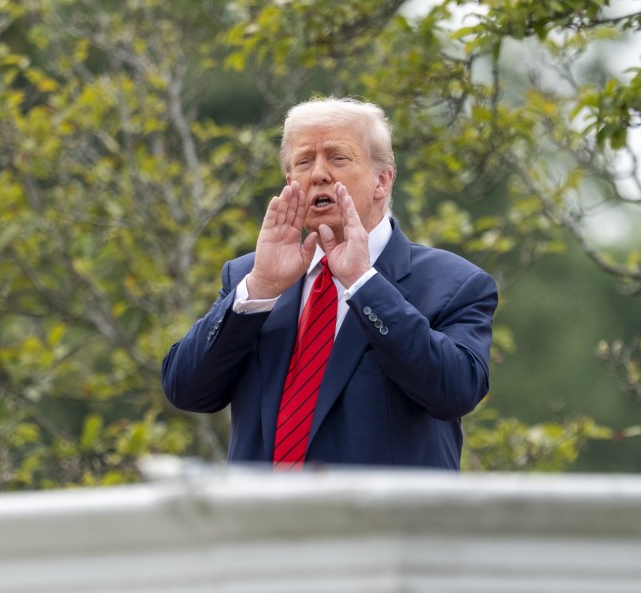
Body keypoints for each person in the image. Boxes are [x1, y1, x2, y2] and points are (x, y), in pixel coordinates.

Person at [161, 96, 498, 470]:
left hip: (381, 526)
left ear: (382, 181)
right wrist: (259, 288)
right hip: (262, 524)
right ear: (290, 183)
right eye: (304, 162)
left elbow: (455, 391)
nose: (318, 174)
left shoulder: (454, 283)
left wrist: (364, 283)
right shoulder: (250, 278)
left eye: (338, 158)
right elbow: (186, 390)